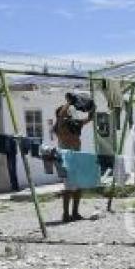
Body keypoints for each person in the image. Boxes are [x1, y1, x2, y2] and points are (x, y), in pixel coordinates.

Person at [53, 93, 95, 222]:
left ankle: (75, 213)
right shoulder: (60, 126)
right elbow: (61, 116)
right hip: (65, 160)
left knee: (78, 187)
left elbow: (89, 118)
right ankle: (66, 214)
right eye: (66, 112)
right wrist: (69, 103)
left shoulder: (75, 125)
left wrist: (92, 108)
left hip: (77, 158)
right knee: (68, 188)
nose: (68, 113)